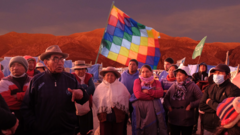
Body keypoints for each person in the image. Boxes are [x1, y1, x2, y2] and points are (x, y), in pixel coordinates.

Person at [21, 45, 89, 135]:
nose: (60, 63)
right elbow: (26, 107)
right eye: (55, 59)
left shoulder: (71, 79)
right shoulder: (36, 81)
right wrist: (35, 126)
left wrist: (82, 94)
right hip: (43, 131)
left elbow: (84, 98)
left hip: (68, 130)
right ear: (46, 62)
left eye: (62, 59)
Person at [199, 64, 240, 135]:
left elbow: (230, 110)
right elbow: (201, 106)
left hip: (224, 128)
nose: (216, 75)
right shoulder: (209, 88)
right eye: (215, 73)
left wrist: (209, 102)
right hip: (208, 126)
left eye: (220, 73)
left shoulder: (234, 90)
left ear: (228, 75)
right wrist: (220, 107)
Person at [164, 65, 203, 135]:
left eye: (180, 74)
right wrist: (169, 107)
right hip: (174, 118)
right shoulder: (174, 86)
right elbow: (166, 98)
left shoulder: (193, 86)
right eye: (177, 75)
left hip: (186, 119)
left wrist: (191, 105)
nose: (178, 77)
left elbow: (201, 98)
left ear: (186, 76)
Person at [130, 64, 167, 135]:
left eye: (147, 71)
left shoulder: (156, 82)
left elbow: (160, 93)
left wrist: (148, 91)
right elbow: (138, 95)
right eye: (143, 72)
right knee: (140, 126)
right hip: (140, 110)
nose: (145, 74)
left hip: (153, 109)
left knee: (152, 126)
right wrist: (152, 96)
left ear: (151, 72)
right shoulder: (137, 81)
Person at [93, 67, 130, 135]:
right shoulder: (99, 88)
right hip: (104, 116)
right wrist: (104, 106)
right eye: (108, 75)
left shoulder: (121, 87)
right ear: (104, 77)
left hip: (118, 115)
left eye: (112, 75)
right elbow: (96, 100)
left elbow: (126, 98)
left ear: (115, 77)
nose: (110, 77)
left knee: (118, 132)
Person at [0, 56, 31, 135]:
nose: (15, 68)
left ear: (25, 67)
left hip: (30, 117)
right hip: (12, 118)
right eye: (13, 65)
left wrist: (17, 96)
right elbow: (7, 102)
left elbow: (37, 98)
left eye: (19, 65)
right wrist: (27, 97)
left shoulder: (33, 81)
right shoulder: (3, 82)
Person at [72, 60, 95, 135]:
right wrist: (85, 87)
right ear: (75, 70)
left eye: (83, 69)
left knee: (86, 124)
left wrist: (82, 94)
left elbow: (92, 88)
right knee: (75, 123)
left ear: (85, 69)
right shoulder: (72, 76)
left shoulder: (88, 76)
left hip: (87, 103)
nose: (81, 71)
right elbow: (72, 89)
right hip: (74, 104)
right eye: (78, 69)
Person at [119, 59, 139, 135]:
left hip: (135, 101)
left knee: (135, 121)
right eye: (130, 64)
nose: (131, 66)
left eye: (134, 64)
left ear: (137, 66)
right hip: (124, 101)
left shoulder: (140, 76)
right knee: (123, 120)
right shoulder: (123, 75)